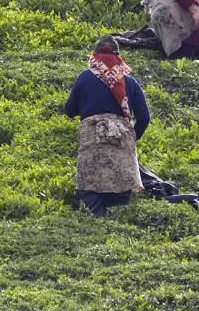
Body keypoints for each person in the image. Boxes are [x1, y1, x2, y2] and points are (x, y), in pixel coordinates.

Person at [63, 36, 151, 216]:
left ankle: (94, 218)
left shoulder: (85, 77)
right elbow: (144, 118)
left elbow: (69, 111)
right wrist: (133, 138)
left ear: (94, 56)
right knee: (120, 201)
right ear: (119, 57)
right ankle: (116, 228)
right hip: (122, 137)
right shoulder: (130, 81)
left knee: (90, 189)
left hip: (93, 136)